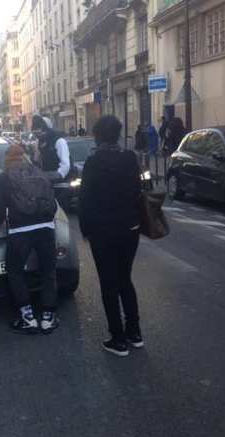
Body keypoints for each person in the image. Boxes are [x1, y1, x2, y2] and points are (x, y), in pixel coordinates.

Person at [78, 115, 143, 357]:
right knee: (125, 277)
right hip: (129, 228)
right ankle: (134, 332)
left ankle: (117, 339)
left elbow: (85, 200)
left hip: (102, 230)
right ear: (117, 134)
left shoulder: (92, 163)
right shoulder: (129, 158)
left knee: (109, 283)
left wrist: (85, 229)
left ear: (98, 136)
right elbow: (138, 190)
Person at [0, 145, 60, 334]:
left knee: (15, 271)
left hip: (20, 229)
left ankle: (27, 317)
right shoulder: (39, 173)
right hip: (46, 227)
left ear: (5, 161)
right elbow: (52, 203)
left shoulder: (1, 179)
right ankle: (48, 318)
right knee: (48, 271)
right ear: (23, 158)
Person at [30, 115, 71, 183]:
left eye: (41, 133)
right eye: (36, 134)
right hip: (46, 183)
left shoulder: (59, 142)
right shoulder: (40, 143)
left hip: (62, 183)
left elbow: (65, 164)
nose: (39, 136)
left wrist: (58, 175)